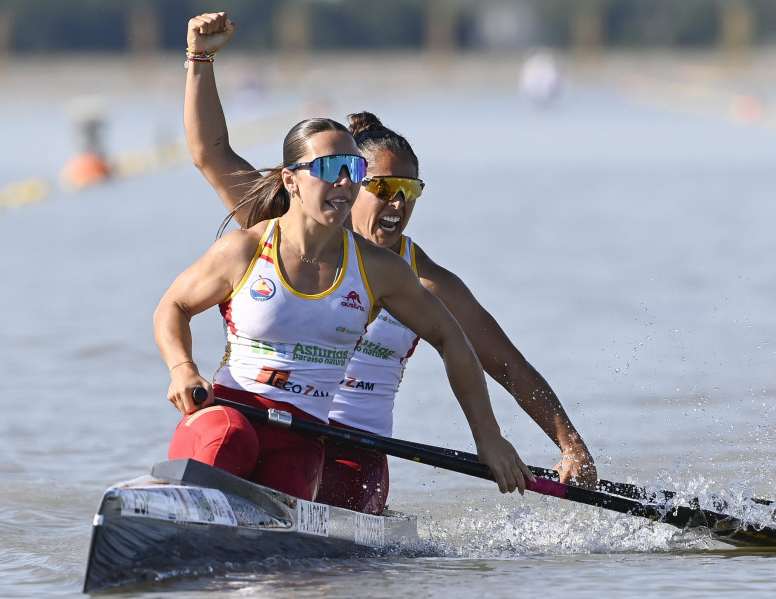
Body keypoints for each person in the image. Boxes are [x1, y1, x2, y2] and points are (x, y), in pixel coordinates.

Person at [182, 12, 598, 512]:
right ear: (353, 183)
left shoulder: (423, 280)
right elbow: (212, 152)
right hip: (269, 424)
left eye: (409, 191)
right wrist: (200, 58)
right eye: (383, 188)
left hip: (359, 451)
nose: (398, 204)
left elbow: (506, 365)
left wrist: (571, 446)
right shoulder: (280, 228)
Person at [154, 116, 534, 502]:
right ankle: (184, 508)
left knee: (295, 479)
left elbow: (450, 336)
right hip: (234, 413)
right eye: (331, 169)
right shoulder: (244, 248)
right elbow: (174, 305)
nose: (345, 182)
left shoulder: (379, 270)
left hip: (303, 436)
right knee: (227, 440)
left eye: (354, 170)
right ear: (291, 180)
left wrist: (488, 437)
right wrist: (182, 369)